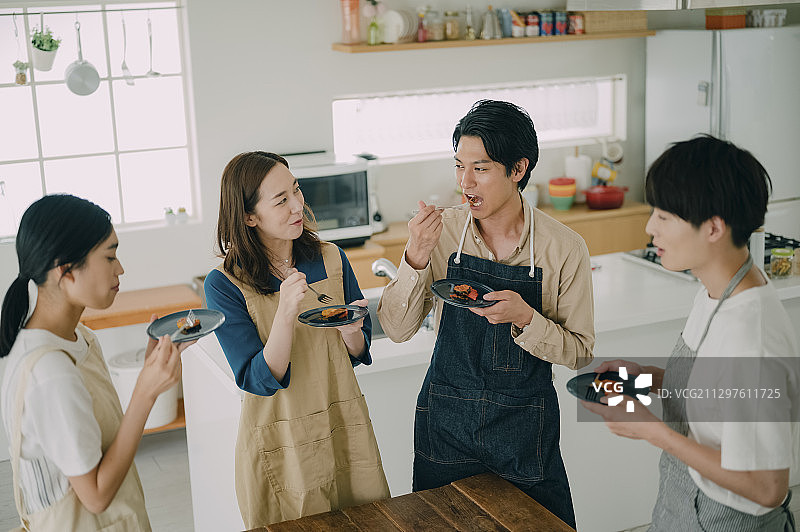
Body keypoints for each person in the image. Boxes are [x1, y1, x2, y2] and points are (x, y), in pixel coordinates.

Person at [377, 100, 595, 528]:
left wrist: (526, 319)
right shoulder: (441, 233)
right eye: (459, 166)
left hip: (523, 429)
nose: (465, 182)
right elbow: (397, 330)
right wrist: (415, 255)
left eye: (480, 168)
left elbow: (581, 352)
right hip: (447, 424)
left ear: (518, 169)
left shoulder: (563, 248)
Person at [582, 136, 799, 531]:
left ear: (713, 227)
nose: (650, 227)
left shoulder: (753, 339)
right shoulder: (715, 289)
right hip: (683, 500)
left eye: (664, 216)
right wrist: (647, 378)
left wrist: (653, 431)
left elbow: (767, 487)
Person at [204, 151, 390, 527]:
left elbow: (356, 352)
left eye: (297, 190)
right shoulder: (224, 284)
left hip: (342, 423)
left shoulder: (331, 258)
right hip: (282, 441)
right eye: (281, 200)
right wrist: (286, 312)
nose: (297, 206)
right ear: (249, 216)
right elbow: (258, 378)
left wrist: (352, 333)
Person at [0, 194, 185, 531]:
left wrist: (149, 372)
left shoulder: (79, 337)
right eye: (110, 256)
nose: (120, 268)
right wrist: (145, 393)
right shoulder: (49, 371)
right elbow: (96, 496)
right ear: (66, 269)